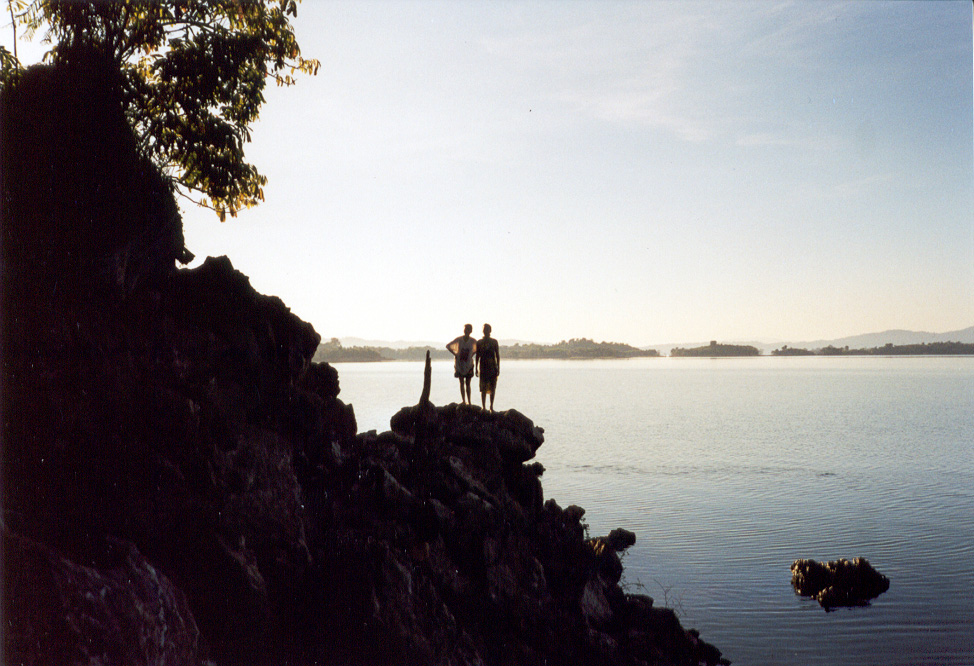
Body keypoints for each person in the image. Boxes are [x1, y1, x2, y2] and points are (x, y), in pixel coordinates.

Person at [447, 324, 477, 405]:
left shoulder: (473, 341)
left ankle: (469, 401)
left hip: (469, 364)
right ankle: (463, 400)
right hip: (460, 364)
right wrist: (455, 354)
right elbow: (448, 346)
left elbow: (478, 349)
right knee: (461, 383)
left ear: (470, 331)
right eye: (465, 329)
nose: (465, 331)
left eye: (467, 329)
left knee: (468, 383)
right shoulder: (459, 339)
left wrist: (472, 354)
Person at [475, 323, 500, 411]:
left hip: (492, 367)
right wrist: (476, 369)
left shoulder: (494, 342)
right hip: (483, 368)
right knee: (483, 388)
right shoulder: (479, 342)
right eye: (484, 329)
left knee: (493, 388)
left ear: (490, 331)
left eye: (487, 329)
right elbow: (477, 356)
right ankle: (484, 407)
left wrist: (498, 368)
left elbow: (497, 355)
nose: (485, 331)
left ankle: (491, 407)